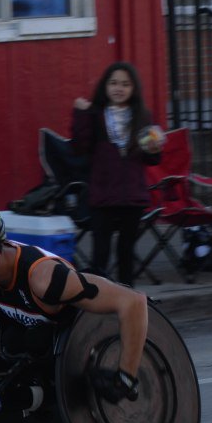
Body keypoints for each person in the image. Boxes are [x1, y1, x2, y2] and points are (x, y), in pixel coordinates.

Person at [0, 204, 147, 403]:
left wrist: (125, 378)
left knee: (34, 340)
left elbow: (133, 302)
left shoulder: (44, 279)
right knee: (8, 343)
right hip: (37, 339)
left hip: (76, 340)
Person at [71, 61, 162, 287]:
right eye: (113, 83)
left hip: (133, 195)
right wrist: (80, 114)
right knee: (100, 252)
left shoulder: (142, 116)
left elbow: (152, 159)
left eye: (125, 84)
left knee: (126, 252)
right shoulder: (95, 114)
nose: (118, 88)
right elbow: (80, 147)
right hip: (103, 194)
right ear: (105, 86)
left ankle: (128, 299)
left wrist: (155, 148)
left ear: (134, 89)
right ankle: (97, 298)